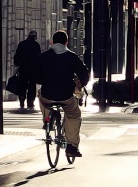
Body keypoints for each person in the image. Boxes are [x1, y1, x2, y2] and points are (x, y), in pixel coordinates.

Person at [37, 30, 90, 158]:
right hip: (65, 96)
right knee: (74, 115)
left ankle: (48, 119)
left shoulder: (44, 56)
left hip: (47, 95)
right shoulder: (71, 57)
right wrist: (81, 84)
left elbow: (35, 74)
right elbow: (84, 74)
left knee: (41, 96)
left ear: (52, 42)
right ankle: (71, 146)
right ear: (66, 42)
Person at [13, 30, 42, 109]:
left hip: (23, 68)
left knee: (22, 84)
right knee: (32, 86)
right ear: (35, 37)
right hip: (33, 69)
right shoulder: (36, 45)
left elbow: (17, 55)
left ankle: (22, 100)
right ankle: (30, 102)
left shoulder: (22, 44)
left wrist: (16, 63)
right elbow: (39, 58)